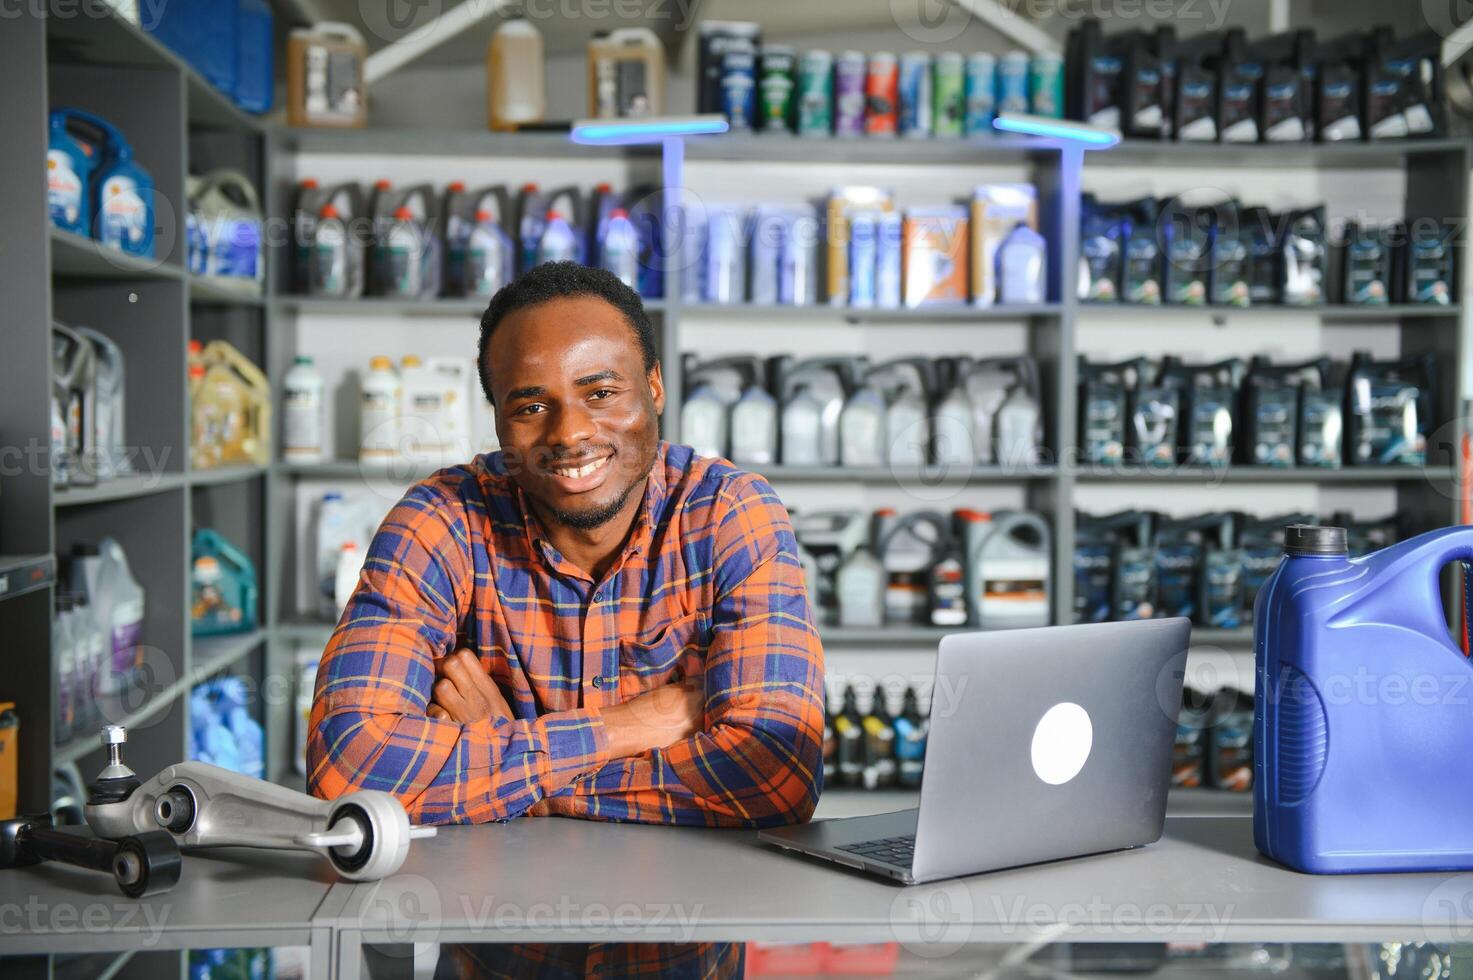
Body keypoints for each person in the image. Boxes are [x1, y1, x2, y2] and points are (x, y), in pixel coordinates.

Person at [308, 261, 826, 978]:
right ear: (496, 420)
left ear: (653, 389)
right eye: (530, 406)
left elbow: (775, 775)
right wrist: (631, 726)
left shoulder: (727, 513)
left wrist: (502, 762)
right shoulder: (441, 521)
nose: (571, 432)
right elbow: (350, 771)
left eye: (601, 392)